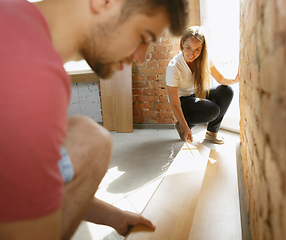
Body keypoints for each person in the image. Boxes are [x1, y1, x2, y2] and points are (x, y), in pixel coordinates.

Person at [0, 0, 188, 239]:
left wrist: (111, 215)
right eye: (143, 36)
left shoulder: (13, 15)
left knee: (88, 138)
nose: (141, 57)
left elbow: (44, 173)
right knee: (93, 142)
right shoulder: (32, 75)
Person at [166, 26, 239, 144]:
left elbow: (220, 79)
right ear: (182, 44)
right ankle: (182, 124)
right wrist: (185, 127)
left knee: (227, 91)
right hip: (182, 102)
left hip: (194, 96)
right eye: (188, 48)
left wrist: (236, 79)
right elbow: (174, 103)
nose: (191, 53)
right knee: (213, 111)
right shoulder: (174, 67)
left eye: (197, 49)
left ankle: (212, 133)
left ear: (202, 49)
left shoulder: (204, 59)